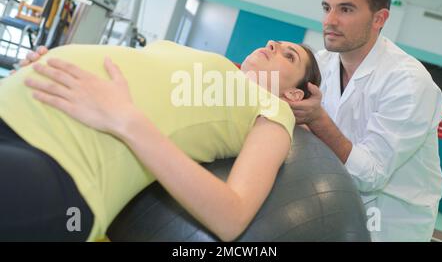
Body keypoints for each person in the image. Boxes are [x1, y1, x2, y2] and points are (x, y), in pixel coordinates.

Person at [0, 39, 321, 241]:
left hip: (66, 162)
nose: (272, 45)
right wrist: (43, 66)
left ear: (294, 92)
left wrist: (125, 118)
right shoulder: (220, 69)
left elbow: (232, 217)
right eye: (276, 43)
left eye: (289, 56)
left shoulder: (275, 111)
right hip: (15, 108)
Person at [289, 0, 442, 241]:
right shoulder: (322, 63)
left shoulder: (409, 82)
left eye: (346, 10)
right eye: (327, 8)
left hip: (391, 225)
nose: (329, 20)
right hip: (334, 204)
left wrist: (316, 118)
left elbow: (370, 175)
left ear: (378, 19)